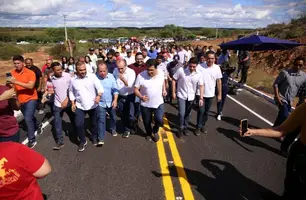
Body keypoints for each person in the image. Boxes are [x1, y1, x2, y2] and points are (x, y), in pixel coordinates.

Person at [241, 103, 306, 200]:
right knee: (291, 182)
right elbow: (280, 130)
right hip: (300, 153)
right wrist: (253, 131)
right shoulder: (304, 108)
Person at [7, 55, 42, 148]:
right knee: (29, 117)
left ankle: (32, 139)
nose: (16, 65)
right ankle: (38, 124)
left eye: (18, 63)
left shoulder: (30, 73)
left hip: (31, 98)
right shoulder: (12, 73)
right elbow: (10, 86)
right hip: (20, 99)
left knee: (27, 118)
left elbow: (30, 86)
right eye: (15, 63)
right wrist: (9, 84)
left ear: (23, 63)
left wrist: (15, 81)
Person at [273, 56, 306, 154]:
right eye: (296, 64)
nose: (298, 67)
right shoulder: (285, 73)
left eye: (300, 65)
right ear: (293, 63)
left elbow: (302, 90)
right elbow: (275, 84)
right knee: (285, 115)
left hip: (290, 100)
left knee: (281, 115)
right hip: (281, 98)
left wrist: (300, 102)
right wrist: (277, 97)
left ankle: (275, 127)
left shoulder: (304, 76)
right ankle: (280, 134)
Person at [69, 61, 104, 152]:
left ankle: (94, 137)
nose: (83, 71)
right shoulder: (73, 80)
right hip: (80, 105)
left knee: (94, 123)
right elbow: (71, 91)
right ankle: (82, 141)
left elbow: (100, 88)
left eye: (84, 69)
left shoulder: (92, 76)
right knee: (78, 124)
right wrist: (73, 103)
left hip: (93, 104)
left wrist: (98, 96)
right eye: (81, 70)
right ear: (76, 70)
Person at [134, 59, 167, 142]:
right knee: (146, 121)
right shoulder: (140, 76)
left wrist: (164, 89)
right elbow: (135, 89)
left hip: (158, 103)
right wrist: (141, 97)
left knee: (159, 120)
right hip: (145, 105)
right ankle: (148, 133)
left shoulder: (161, 73)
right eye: (148, 69)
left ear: (156, 68)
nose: (149, 72)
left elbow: (163, 81)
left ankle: (155, 131)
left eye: (152, 70)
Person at [172, 57, 204, 138]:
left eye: (194, 66)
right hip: (181, 95)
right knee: (182, 113)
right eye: (190, 66)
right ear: (188, 64)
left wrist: (201, 98)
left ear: (196, 65)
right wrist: (173, 92)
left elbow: (201, 86)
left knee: (188, 113)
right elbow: (174, 80)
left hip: (191, 97)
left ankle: (185, 127)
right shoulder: (181, 70)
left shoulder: (199, 74)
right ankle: (180, 128)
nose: (192, 68)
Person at [194, 51, 222, 136]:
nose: (210, 60)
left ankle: (203, 125)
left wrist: (219, 94)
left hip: (210, 94)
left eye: (212, 58)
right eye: (209, 58)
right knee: (201, 110)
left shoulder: (217, 68)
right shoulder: (199, 67)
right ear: (205, 58)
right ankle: (198, 127)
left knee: (206, 112)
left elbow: (219, 81)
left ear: (215, 59)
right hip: (200, 93)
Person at [50, 62, 75, 150]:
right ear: (53, 71)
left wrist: (67, 99)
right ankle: (60, 141)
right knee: (57, 123)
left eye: (61, 69)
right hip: (57, 104)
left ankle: (76, 134)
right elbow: (51, 89)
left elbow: (72, 89)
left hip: (68, 103)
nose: (60, 71)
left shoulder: (68, 76)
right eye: (57, 70)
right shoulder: (51, 78)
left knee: (74, 120)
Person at [96, 63, 119, 144]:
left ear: (107, 70)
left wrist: (115, 100)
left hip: (111, 101)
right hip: (100, 103)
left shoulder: (111, 76)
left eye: (104, 71)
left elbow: (115, 89)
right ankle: (101, 138)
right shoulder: (95, 78)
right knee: (101, 120)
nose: (102, 73)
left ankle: (113, 128)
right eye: (100, 71)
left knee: (113, 117)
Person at [113, 59, 136, 138]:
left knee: (131, 115)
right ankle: (127, 129)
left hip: (130, 96)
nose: (120, 70)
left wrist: (123, 79)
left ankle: (132, 125)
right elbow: (114, 81)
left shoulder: (131, 72)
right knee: (123, 114)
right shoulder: (115, 70)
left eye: (122, 68)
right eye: (118, 68)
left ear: (126, 66)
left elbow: (130, 85)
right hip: (120, 96)